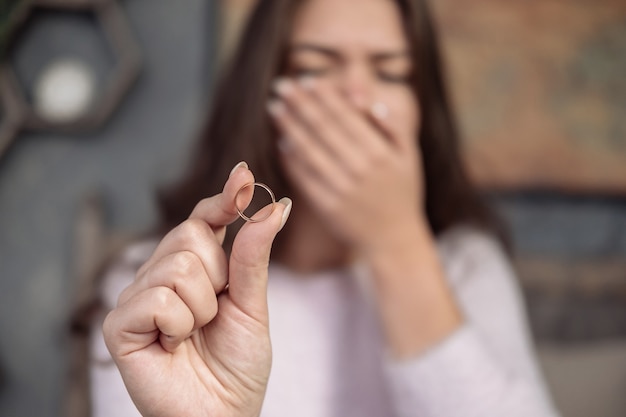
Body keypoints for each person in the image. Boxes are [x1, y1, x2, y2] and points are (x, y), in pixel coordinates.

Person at [94, 0, 561, 416]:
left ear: (421, 106)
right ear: (261, 94)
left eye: (392, 73)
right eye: (313, 66)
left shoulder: (466, 265)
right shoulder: (167, 285)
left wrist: (397, 244)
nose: (357, 99)